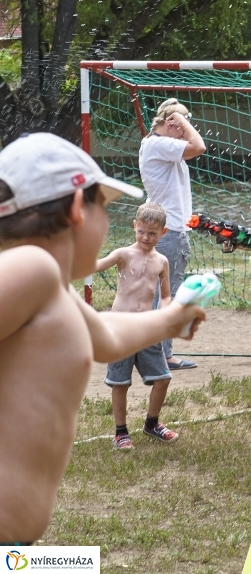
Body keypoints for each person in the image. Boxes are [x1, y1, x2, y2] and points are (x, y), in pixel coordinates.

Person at [0, 133, 204, 544]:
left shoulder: (53, 288)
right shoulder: (31, 267)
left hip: (16, 549)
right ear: (78, 208)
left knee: (75, 568)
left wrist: (167, 321)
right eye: (105, 208)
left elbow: (104, 336)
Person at [96, 203, 180, 450]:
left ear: (163, 233)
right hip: (121, 330)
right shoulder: (123, 254)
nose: (146, 237)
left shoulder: (161, 261)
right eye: (142, 231)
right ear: (135, 226)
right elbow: (97, 265)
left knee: (162, 378)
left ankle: (152, 424)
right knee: (120, 382)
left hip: (147, 329)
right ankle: (121, 432)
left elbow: (165, 295)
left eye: (152, 233)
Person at [139, 98, 207, 371]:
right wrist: (182, 122)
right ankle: (161, 356)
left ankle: (154, 352)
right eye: (181, 126)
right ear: (171, 124)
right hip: (170, 232)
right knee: (167, 295)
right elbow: (199, 146)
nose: (185, 131)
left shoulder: (157, 146)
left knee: (158, 294)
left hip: (171, 228)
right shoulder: (159, 143)